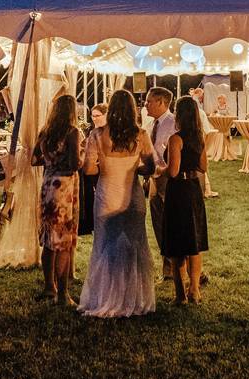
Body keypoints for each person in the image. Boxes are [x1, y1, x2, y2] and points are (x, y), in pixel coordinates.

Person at [79, 89, 156, 318]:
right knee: (134, 247)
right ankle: (132, 299)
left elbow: (89, 168)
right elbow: (150, 166)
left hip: (107, 196)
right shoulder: (140, 134)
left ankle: (106, 297)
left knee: (105, 247)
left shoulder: (97, 135)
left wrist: (106, 166)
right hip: (132, 198)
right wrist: (133, 167)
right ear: (133, 110)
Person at [31, 94, 84, 306]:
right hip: (64, 188)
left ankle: (48, 287)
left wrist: (51, 161)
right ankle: (63, 294)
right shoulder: (72, 132)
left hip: (47, 186)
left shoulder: (45, 132)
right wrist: (82, 155)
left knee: (48, 240)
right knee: (62, 241)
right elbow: (74, 163)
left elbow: (35, 159)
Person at [161, 96, 209, 304]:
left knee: (177, 242)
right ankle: (195, 290)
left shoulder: (176, 139)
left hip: (178, 191)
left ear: (179, 115)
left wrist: (157, 170)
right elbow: (203, 167)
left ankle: (180, 294)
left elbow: (173, 171)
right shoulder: (199, 138)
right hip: (193, 189)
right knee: (194, 242)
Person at [145, 87, 177, 279]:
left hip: (168, 178)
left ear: (161, 102)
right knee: (158, 223)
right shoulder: (151, 124)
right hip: (154, 178)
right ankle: (167, 265)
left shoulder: (173, 123)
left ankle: (176, 265)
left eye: (149, 101)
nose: (146, 104)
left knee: (171, 223)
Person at [78, 104, 107, 236]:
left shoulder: (107, 132)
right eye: (93, 116)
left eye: (97, 116)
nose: (94, 118)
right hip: (91, 170)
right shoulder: (93, 131)